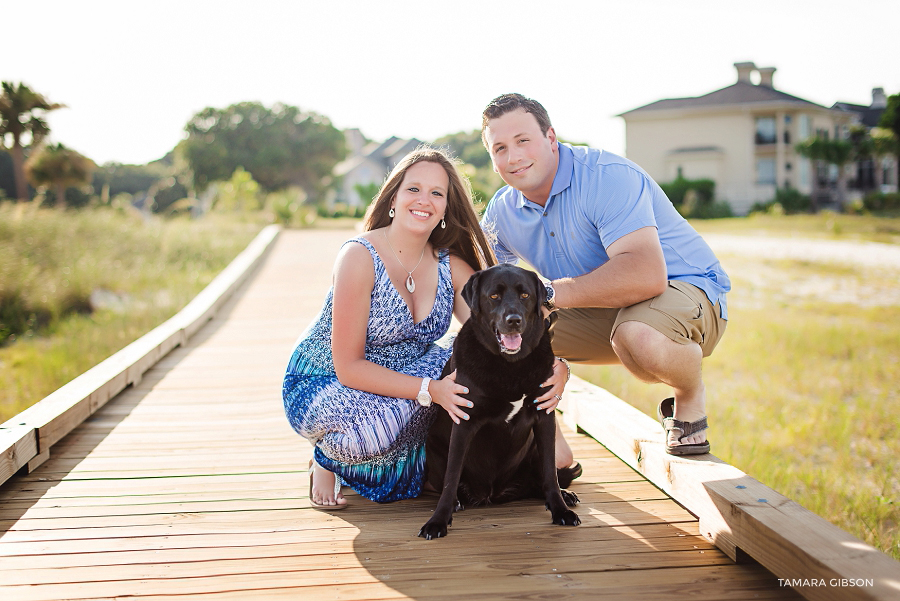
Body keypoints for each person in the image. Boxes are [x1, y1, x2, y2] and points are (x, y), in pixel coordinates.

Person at [282, 146, 572, 509]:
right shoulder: (359, 256)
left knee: (549, 450)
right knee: (368, 434)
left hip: (411, 376)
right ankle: (327, 459)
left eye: (437, 193)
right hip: (328, 380)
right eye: (414, 189)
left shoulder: (448, 264)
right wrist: (430, 390)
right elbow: (348, 366)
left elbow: (502, 334)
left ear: (447, 209)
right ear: (393, 197)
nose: (425, 200)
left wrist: (557, 368)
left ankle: (402, 455)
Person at [479, 93, 731, 456]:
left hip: (685, 289)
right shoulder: (503, 210)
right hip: (601, 305)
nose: (513, 156)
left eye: (523, 141)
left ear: (550, 138)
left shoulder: (606, 178)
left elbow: (646, 276)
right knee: (499, 338)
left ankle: (689, 395)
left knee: (636, 337)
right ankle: (548, 452)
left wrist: (549, 295)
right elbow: (485, 285)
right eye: (500, 148)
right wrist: (552, 359)